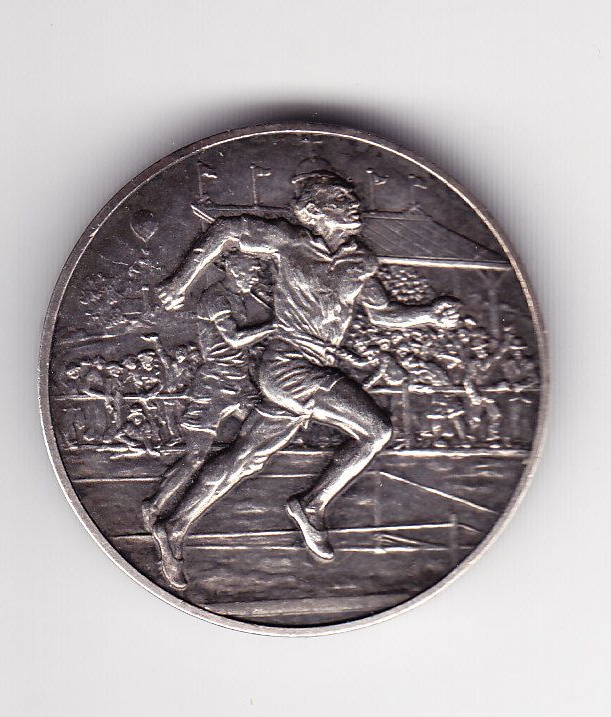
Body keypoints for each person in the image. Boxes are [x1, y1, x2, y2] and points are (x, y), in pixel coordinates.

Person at [153, 169, 460, 588]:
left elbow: (384, 314)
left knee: (244, 459)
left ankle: (174, 527)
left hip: (316, 367)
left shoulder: (360, 262)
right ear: (314, 211)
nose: (354, 204)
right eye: (341, 199)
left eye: (351, 197)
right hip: (288, 367)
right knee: (376, 431)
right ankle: (311, 505)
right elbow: (226, 231)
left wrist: (428, 315)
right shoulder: (287, 242)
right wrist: (180, 281)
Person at [141, 252, 274, 539]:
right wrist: (273, 326)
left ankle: (226, 476)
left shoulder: (237, 298)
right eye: (251, 273)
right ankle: (154, 506)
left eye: (256, 274)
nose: (255, 279)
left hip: (239, 384)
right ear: (234, 270)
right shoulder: (216, 299)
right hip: (214, 385)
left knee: (266, 429)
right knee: (195, 457)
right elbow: (235, 339)